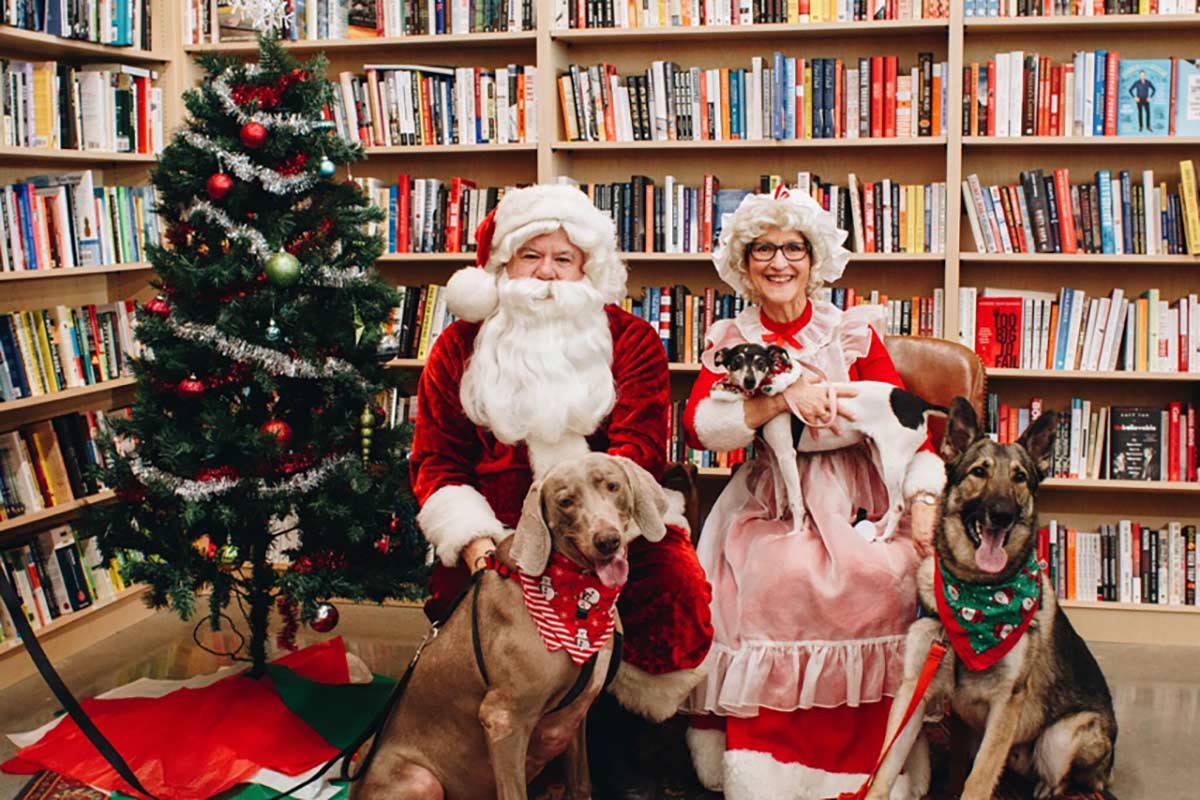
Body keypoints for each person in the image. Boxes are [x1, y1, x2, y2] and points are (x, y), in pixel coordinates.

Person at [408, 183, 713, 799]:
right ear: (502, 266)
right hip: (501, 536)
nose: (546, 274)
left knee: (673, 587)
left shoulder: (630, 340)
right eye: (530, 256)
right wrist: (475, 542)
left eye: (563, 258)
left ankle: (628, 757)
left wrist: (597, 534)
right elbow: (437, 462)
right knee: (469, 606)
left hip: (612, 521)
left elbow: (639, 453)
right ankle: (483, 755)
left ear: (587, 269)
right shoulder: (459, 346)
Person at [681, 186, 945, 800]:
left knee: (885, 571)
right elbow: (701, 426)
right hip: (772, 498)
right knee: (779, 576)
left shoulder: (847, 330)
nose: (779, 262)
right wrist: (775, 400)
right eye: (764, 250)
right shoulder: (732, 335)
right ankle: (768, 764)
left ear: (814, 258)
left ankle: (873, 764)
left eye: (793, 248)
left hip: (863, 492)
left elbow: (903, 424)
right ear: (744, 265)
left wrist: (926, 496)